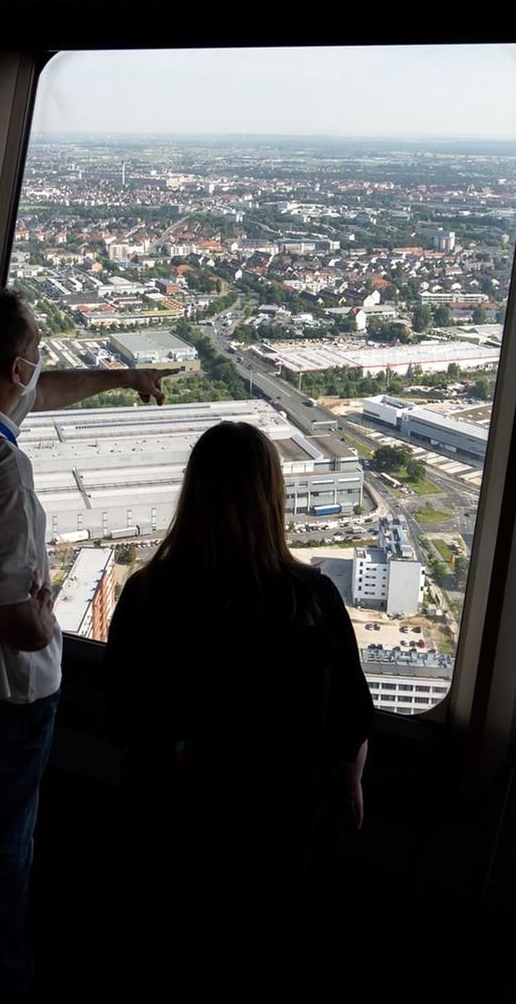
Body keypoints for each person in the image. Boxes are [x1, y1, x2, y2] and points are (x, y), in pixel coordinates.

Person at [0, 286, 176, 999]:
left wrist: (120, 378)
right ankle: (0, 969)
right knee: (2, 840)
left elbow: (37, 394)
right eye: (35, 355)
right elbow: (12, 622)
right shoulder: (2, 472)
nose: (40, 368)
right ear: (17, 372)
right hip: (5, 687)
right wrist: (48, 620)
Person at [104, 420, 373, 991]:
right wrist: (348, 785)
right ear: (272, 499)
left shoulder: (147, 595)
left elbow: (121, 714)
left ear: (191, 494)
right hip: (280, 835)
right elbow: (351, 723)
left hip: (170, 829)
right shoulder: (312, 601)